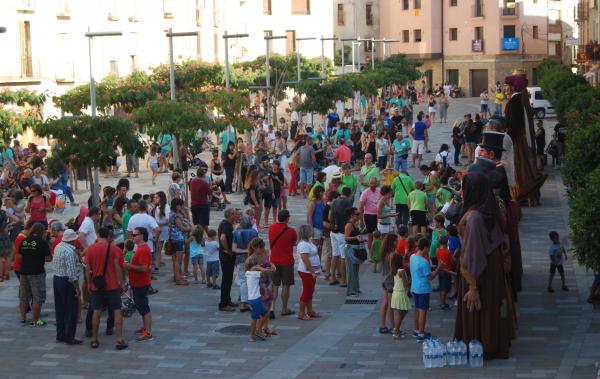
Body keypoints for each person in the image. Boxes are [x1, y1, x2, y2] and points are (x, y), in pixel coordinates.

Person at [454, 172, 516, 359]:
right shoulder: (489, 210)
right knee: (491, 306)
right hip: (492, 269)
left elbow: (472, 253)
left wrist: (473, 286)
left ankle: (481, 345)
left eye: (464, 188)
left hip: (479, 271)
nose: (462, 192)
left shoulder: (474, 218)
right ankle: (493, 343)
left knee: (479, 307)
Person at [504, 71, 547, 203]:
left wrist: (506, 137)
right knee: (522, 165)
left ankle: (524, 192)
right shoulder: (519, 99)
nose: (504, 88)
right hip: (519, 137)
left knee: (519, 166)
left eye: (507, 85)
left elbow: (514, 123)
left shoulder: (514, 101)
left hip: (516, 139)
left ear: (513, 87)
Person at [84, 227, 127, 350]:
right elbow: (119, 267)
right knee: (117, 310)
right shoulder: (114, 249)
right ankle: (119, 339)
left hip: (97, 285)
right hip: (112, 285)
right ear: (108, 236)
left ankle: (94, 339)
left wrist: (88, 283)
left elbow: (87, 268)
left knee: (96, 311)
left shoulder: (91, 249)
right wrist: (121, 282)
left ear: (98, 235)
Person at [19, 222, 52, 327]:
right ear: (42, 231)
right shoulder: (42, 242)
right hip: (37, 272)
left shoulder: (24, 241)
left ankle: (23, 319)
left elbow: (19, 256)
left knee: (24, 296)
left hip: (24, 272)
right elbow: (48, 258)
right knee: (37, 297)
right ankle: (35, 320)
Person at [52, 229, 81, 344]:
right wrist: (77, 288)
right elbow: (72, 274)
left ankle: (61, 334)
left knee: (60, 308)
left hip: (57, 278)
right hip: (67, 282)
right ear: (73, 240)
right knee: (71, 309)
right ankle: (69, 336)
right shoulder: (70, 252)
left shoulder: (58, 246)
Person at [125, 227, 154, 341]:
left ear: (141, 235)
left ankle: (148, 332)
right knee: (141, 306)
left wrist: (128, 266)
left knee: (143, 307)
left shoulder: (143, 250)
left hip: (141, 283)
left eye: (134, 234)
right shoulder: (141, 248)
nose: (132, 236)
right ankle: (145, 327)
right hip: (138, 282)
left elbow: (143, 268)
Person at [268, 210, 297, 318]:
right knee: (286, 285)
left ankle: (271, 308)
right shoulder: (291, 231)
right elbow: (294, 242)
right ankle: (284, 309)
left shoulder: (271, 227)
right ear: (287, 218)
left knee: (274, 286)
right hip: (287, 261)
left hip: (274, 260)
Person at [410, 238, 440, 342]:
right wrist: (438, 268)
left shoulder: (412, 257)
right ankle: (421, 334)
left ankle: (416, 330)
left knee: (417, 310)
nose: (429, 250)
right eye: (429, 248)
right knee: (423, 312)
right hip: (423, 289)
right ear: (426, 247)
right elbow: (430, 277)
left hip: (414, 287)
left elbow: (419, 269)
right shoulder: (424, 262)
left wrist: (430, 267)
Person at [232, 215, 259, 313]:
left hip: (240, 259)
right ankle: (252, 302)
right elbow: (257, 247)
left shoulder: (236, 233)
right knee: (253, 280)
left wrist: (243, 250)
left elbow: (234, 249)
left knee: (243, 281)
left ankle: (243, 303)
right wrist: (249, 251)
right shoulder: (254, 232)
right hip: (252, 259)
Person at [245, 245, 271, 342]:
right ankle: (253, 335)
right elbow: (265, 272)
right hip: (255, 299)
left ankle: (257, 332)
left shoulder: (247, 273)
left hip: (252, 298)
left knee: (262, 314)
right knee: (255, 317)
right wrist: (263, 268)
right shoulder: (255, 274)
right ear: (255, 266)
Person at [329, 187, 353, 287]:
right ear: (349, 194)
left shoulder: (334, 201)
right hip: (342, 232)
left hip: (333, 231)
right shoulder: (347, 202)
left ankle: (332, 277)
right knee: (343, 257)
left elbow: (329, 217)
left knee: (335, 254)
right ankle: (343, 280)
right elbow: (350, 217)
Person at [296, 224, 321, 320]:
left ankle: (310, 310)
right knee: (307, 291)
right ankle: (301, 313)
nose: (312, 231)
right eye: (310, 230)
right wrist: (312, 271)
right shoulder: (303, 244)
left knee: (310, 290)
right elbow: (305, 259)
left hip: (310, 271)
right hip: (307, 272)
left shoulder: (308, 242)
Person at [218, 208, 238, 312]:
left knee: (229, 279)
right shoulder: (226, 225)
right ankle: (223, 304)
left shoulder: (227, 224)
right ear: (230, 215)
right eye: (235, 214)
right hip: (226, 256)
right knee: (226, 280)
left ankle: (227, 300)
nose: (236, 215)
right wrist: (227, 250)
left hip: (226, 256)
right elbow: (222, 238)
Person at [168, 198, 191, 285]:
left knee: (175, 259)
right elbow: (182, 228)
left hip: (173, 238)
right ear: (177, 206)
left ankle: (176, 276)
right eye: (181, 205)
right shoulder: (176, 215)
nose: (182, 207)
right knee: (178, 259)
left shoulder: (171, 214)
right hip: (178, 238)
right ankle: (178, 278)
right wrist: (190, 229)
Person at [379, 233, 398, 334]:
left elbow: (381, 268)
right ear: (393, 242)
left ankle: (382, 325)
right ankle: (393, 326)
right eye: (396, 240)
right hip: (390, 281)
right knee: (390, 305)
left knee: (385, 303)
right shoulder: (392, 254)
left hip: (384, 280)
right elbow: (392, 270)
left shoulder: (384, 253)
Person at [344, 207, 365, 297]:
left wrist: (360, 240)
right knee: (351, 271)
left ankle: (356, 288)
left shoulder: (354, 224)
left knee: (356, 270)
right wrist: (355, 238)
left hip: (355, 248)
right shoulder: (349, 225)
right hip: (350, 249)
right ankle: (351, 291)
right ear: (351, 215)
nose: (358, 215)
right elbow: (346, 238)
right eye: (357, 214)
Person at [390, 253, 411, 340]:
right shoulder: (402, 271)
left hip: (396, 292)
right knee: (401, 313)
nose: (404, 261)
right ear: (399, 261)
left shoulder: (394, 270)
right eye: (402, 260)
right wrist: (411, 279)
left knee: (403, 311)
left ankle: (397, 329)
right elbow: (405, 284)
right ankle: (396, 331)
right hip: (401, 293)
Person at [359, 176, 382, 255]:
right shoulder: (365, 193)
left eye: (374, 183)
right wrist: (361, 221)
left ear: (377, 183)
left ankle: (379, 251)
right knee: (370, 234)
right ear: (368, 184)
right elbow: (361, 207)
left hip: (379, 215)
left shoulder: (379, 191)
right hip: (369, 215)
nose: (373, 185)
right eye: (371, 183)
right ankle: (370, 253)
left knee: (380, 233)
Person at [189, 167, 213, 233]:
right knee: (204, 224)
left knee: (196, 223)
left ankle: (197, 237)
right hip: (203, 205)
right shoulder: (204, 183)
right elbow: (210, 193)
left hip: (193, 205)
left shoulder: (192, 182)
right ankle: (205, 237)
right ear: (204, 175)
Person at [436, 235, 454, 310]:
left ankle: (442, 302)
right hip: (447, 271)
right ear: (447, 242)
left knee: (441, 287)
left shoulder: (437, 250)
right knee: (445, 288)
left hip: (440, 270)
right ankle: (443, 303)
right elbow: (452, 261)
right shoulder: (447, 252)